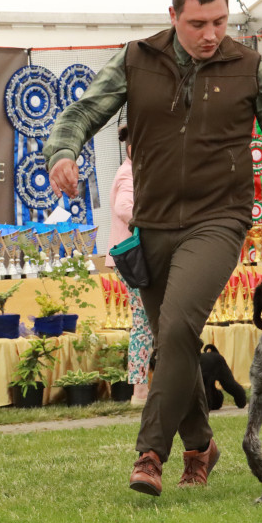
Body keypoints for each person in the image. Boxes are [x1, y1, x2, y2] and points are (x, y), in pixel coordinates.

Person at [42, 0, 262, 496]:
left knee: (177, 325)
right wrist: (63, 150)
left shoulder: (246, 66)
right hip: (151, 223)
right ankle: (201, 445)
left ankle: (150, 453)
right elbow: (85, 110)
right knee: (173, 338)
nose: (211, 33)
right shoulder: (135, 59)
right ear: (173, 16)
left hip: (219, 217)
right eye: (198, 23)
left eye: (220, 22)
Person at [105, 123, 152, 404]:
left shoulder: (137, 171)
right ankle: (139, 390)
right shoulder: (128, 173)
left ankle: (143, 387)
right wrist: (151, 222)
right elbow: (125, 208)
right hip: (134, 259)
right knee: (144, 323)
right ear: (133, 148)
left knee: (147, 322)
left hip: (135, 258)